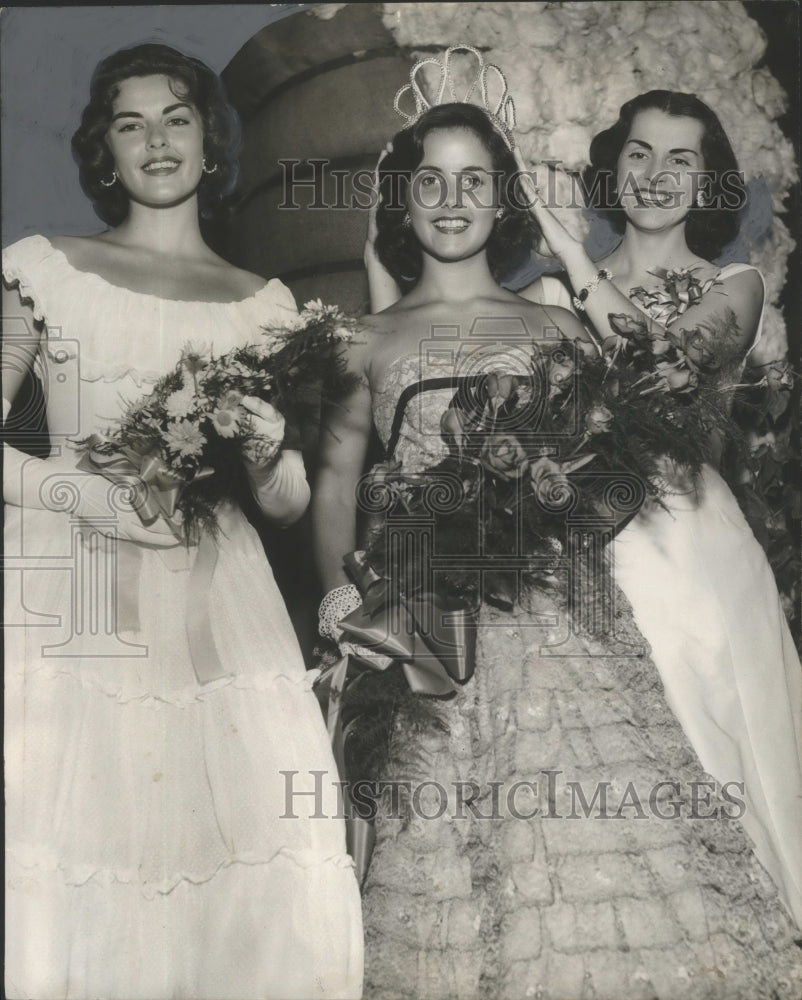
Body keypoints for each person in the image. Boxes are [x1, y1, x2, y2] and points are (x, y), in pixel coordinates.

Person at [314, 83, 802, 998]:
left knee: (670, 762)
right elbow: (351, 466)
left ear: (505, 199)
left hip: (597, 580)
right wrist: (348, 590)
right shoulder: (393, 331)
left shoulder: (575, 315)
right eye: (429, 184)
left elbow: (636, 411)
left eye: (683, 159)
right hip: (429, 607)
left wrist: (549, 508)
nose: (659, 176)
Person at [3, 44, 362, 999]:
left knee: (239, 851)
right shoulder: (42, 269)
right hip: (66, 584)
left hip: (214, 601)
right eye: (130, 122)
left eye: (177, 117)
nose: (156, 139)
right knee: (71, 839)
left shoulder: (267, 307)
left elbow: (285, 501)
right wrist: (98, 497)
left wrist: (263, 442)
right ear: (103, 152)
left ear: (210, 142)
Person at [517, 89, 802, 928]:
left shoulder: (735, 284)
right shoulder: (543, 300)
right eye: (639, 153)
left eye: (683, 159)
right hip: (589, 556)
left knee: (721, 754)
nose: (656, 175)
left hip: (698, 555)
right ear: (612, 167)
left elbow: (659, 365)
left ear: (711, 183)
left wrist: (574, 257)